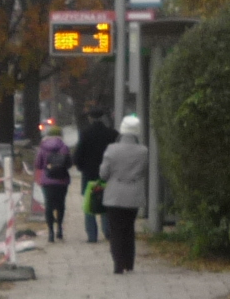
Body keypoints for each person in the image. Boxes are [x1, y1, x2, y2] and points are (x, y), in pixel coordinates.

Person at [97, 114, 150, 275]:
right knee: (129, 228)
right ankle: (129, 262)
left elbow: (103, 174)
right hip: (133, 194)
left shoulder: (111, 149)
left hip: (114, 195)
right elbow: (144, 171)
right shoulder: (143, 151)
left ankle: (118, 264)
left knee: (116, 230)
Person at [72, 111, 117, 244]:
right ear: (104, 118)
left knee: (89, 204)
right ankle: (108, 232)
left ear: (91, 118)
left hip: (89, 174)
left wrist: (82, 168)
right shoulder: (112, 134)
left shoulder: (85, 134)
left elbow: (78, 155)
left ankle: (92, 235)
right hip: (108, 175)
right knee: (106, 202)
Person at [36, 120, 73, 242]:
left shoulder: (43, 147)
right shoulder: (64, 147)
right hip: (62, 180)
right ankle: (59, 230)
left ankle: (50, 232)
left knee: (49, 205)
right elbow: (68, 164)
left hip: (47, 181)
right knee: (61, 204)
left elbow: (38, 164)